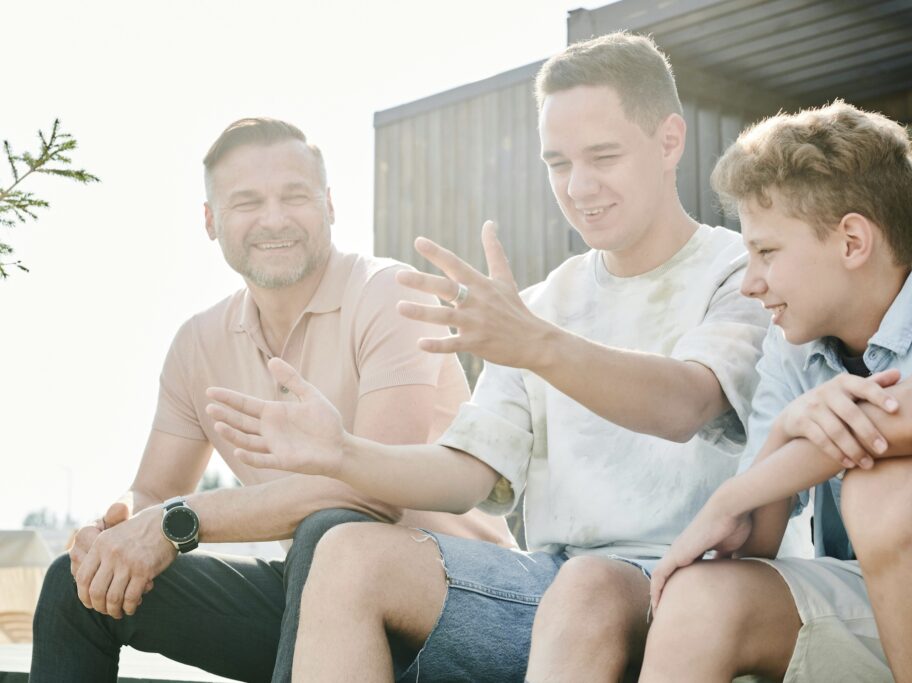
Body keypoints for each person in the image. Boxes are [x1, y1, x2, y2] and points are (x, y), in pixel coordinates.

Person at [207, 33, 771, 682]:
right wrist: (340, 452)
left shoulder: (745, 272)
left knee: (586, 586)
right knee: (346, 552)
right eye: (558, 163)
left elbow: (688, 402)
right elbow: (467, 474)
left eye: (603, 156)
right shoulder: (537, 306)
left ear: (669, 141)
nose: (579, 186)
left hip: (689, 587)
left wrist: (536, 343)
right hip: (548, 585)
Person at [30, 117, 513, 683]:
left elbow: (374, 494)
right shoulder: (198, 343)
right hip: (318, 606)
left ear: (330, 205)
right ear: (211, 221)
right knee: (77, 581)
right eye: (246, 202)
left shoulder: (388, 293)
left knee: (332, 529)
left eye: (295, 196)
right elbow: (155, 492)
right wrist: (118, 529)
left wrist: (174, 522)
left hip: (460, 600)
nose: (275, 219)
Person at [643, 100, 912, 683]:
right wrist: (784, 429)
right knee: (703, 596)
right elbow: (757, 539)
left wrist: (724, 500)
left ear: (851, 242)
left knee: (889, 484)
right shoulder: (793, 351)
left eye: (766, 251)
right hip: (894, 613)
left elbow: (907, 420)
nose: (750, 282)